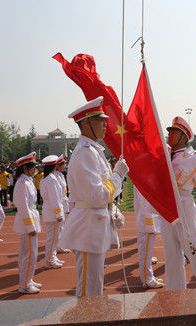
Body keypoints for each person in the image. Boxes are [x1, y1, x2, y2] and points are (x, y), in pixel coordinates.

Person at [59, 96, 129, 297]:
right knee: (90, 289)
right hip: (88, 228)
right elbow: (99, 195)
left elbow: (102, 194)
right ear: (87, 122)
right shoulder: (85, 153)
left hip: (94, 225)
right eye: (101, 120)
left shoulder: (93, 151)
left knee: (95, 286)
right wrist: (118, 174)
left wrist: (112, 208)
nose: (106, 124)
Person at [161, 116, 196, 290]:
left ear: (184, 136)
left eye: (175, 132)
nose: (171, 134)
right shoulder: (163, 153)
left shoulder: (193, 158)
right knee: (172, 258)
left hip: (185, 209)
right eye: (170, 131)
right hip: (167, 210)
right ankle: (175, 298)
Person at [13, 152, 43, 294]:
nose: (34, 170)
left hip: (31, 218)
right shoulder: (22, 184)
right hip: (27, 223)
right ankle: (24, 284)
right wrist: (30, 226)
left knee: (32, 253)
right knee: (28, 254)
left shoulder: (27, 181)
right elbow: (23, 207)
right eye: (32, 167)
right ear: (25, 169)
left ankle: (28, 280)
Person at [133, 186, 163, 288]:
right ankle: (147, 279)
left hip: (147, 217)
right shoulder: (142, 179)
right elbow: (146, 204)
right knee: (145, 249)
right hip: (147, 219)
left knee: (146, 250)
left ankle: (148, 277)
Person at [40, 155, 65, 269]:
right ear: (55, 166)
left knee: (54, 237)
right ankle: (50, 260)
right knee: (53, 238)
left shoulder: (45, 178)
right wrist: (58, 214)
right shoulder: (51, 179)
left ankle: (52, 257)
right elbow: (54, 199)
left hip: (49, 210)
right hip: (52, 212)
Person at [55, 155, 71, 254]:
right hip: (59, 202)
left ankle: (60, 245)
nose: (65, 167)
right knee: (59, 227)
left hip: (63, 202)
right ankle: (59, 247)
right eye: (63, 165)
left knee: (61, 226)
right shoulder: (56, 176)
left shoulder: (60, 175)